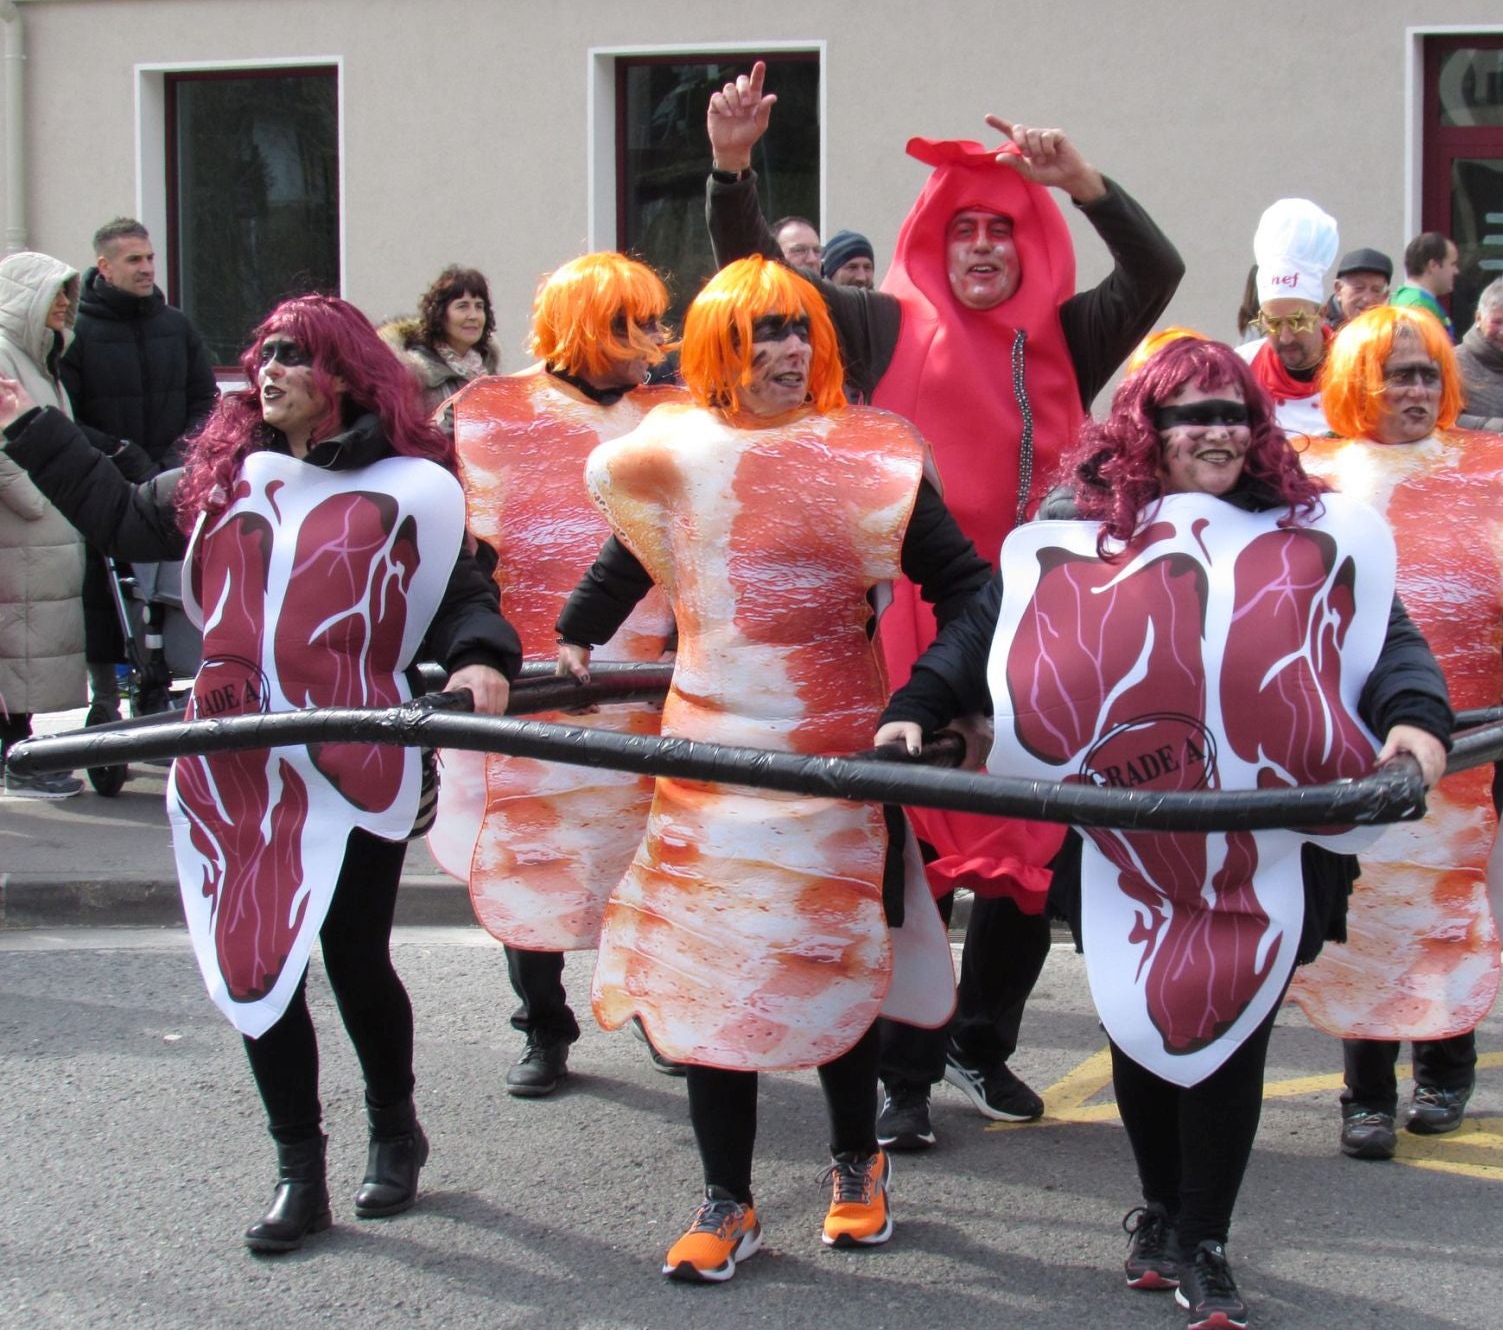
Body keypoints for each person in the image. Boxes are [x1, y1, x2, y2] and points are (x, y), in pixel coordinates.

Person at [877, 336, 1452, 1330]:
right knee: (1140, 1026)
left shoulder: (1308, 527)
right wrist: (921, 702)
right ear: (1150, 427)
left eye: (1234, 412)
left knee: (1232, 1041)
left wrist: (1416, 725)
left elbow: (1381, 638)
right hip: (1126, 838)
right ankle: (1157, 1212)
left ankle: (1208, 1238)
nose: (1218, 431)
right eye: (1193, 415)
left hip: (1268, 837)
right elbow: (993, 626)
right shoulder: (1087, 526)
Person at [704, 62, 1183, 1147]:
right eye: (962, 228)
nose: (981, 246)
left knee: (1028, 862)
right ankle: (907, 1075)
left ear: (1028, 244)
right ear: (935, 238)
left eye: (1002, 230)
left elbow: (1158, 268)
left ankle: (982, 1043)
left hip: (1040, 626)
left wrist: (1084, 182)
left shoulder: (1069, 336)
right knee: (911, 859)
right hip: (913, 617)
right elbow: (759, 284)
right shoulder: (874, 328)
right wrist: (731, 172)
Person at [0, 294, 518, 1252]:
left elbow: (459, 592)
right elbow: (119, 518)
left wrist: (484, 656)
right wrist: (28, 427)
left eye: (292, 355)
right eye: (263, 353)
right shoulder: (226, 479)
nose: (267, 370)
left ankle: (395, 1132)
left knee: (355, 958)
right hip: (234, 765)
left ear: (346, 375)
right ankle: (298, 1168)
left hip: (353, 756)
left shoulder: (413, 486)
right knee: (255, 964)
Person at [555, 256, 992, 1284]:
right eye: (763, 334)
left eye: (800, 329)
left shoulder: (864, 455)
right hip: (704, 761)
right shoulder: (676, 450)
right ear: (719, 349)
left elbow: (975, 588)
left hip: (838, 764)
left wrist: (918, 705)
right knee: (708, 973)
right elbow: (648, 546)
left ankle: (855, 1162)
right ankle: (728, 1198)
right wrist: (577, 631)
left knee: (826, 956)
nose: (789, 350)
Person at [1289, 304, 1503, 1161]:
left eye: (1425, 373)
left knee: (1449, 900)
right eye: (1395, 373)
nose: (1414, 389)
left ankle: (1446, 1068)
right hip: (1353, 739)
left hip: (1475, 736)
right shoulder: (1307, 479)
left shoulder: (1498, 473)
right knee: (1361, 909)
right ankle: (1365, 1091)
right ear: (1353, 384)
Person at [425, 252, 680, 1098]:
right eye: (627, 323)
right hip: (530, 676)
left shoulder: (676, 415)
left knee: (648, 853)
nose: (648, 339)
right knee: (529, 849)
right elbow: (461, 554)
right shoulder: (490, 414)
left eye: (651, 321)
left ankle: (648, 1005)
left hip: (651, 682)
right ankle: (543, 1023)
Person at [60, 217, 216, 725]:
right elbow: (69, 416)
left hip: (171, 483)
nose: (147, 268)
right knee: (105, 599)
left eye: (149, 258)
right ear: (104, 267)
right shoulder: (78, 334)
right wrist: (122, 454)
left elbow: (204, 400)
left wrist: (182, 458)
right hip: (107, 483)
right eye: (134, 260)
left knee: (171, 592)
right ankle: (106, 698)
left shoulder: (176, 326)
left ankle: (161, 684)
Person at [0, 252, 87, 799]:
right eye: (56, 292)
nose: (64, 304)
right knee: (17, 645)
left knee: (30, 644)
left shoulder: (38, 358)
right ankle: (17, 757)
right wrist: (39, 500)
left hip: (43, 530)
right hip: (20, 531)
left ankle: (22, 751)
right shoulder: (5, 355)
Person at [1237, 196, 1340, 434]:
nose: (1285, 337)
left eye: (1297, 322)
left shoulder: (1354, 366)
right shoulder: (1240, 369)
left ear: (1322, 314)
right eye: (1273, 323)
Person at [380, 265, 501, 412]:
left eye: (479, 306)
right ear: (440, 314)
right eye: (462, 306)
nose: (473, 316)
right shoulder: (418, 374)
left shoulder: (487, 369)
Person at [1453, 275, 1503, 429]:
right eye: (1496, 322)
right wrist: (1499, 427)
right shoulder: (1453, 362)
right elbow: (1441, 419)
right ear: (1478, 318)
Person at [1388, 232, 1459, 337]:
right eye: (1452, 264)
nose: (1456, 271)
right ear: (1433, 265)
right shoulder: (1418, 305)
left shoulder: (1407, 297)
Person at [1325, 247, 1393, 330]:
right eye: (1359, 288)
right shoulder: (1318, 331)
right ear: (1338, 289)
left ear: (1385, 297)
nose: (1367, 299)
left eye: (1376, 290)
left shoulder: (1391, 332)